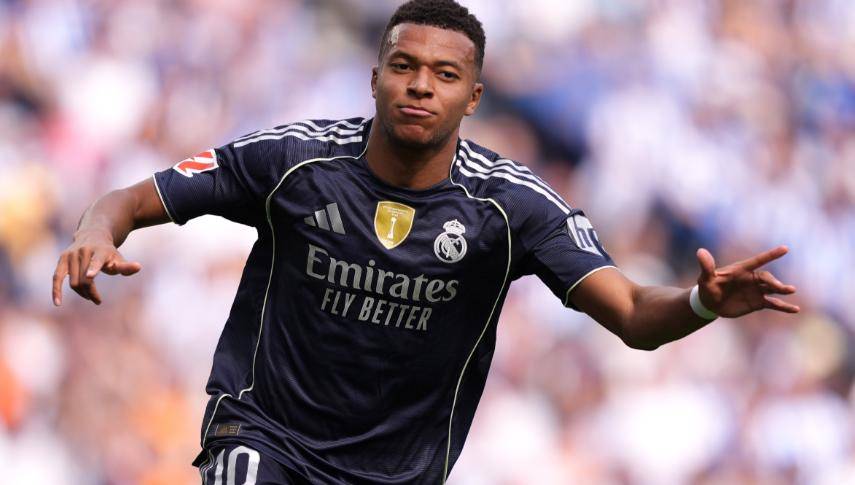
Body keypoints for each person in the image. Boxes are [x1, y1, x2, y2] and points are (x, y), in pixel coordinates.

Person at [51, 0, 800, 483]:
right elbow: (134, 199)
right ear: (375, 77)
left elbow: (633, 313)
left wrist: (701, 301)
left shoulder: (509, 207)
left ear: (473, 97)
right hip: (265, 436)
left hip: (395, 473)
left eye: (444, 74)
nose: (419, 86)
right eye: (404, 67)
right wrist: (93, 230)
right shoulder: (294, 162)